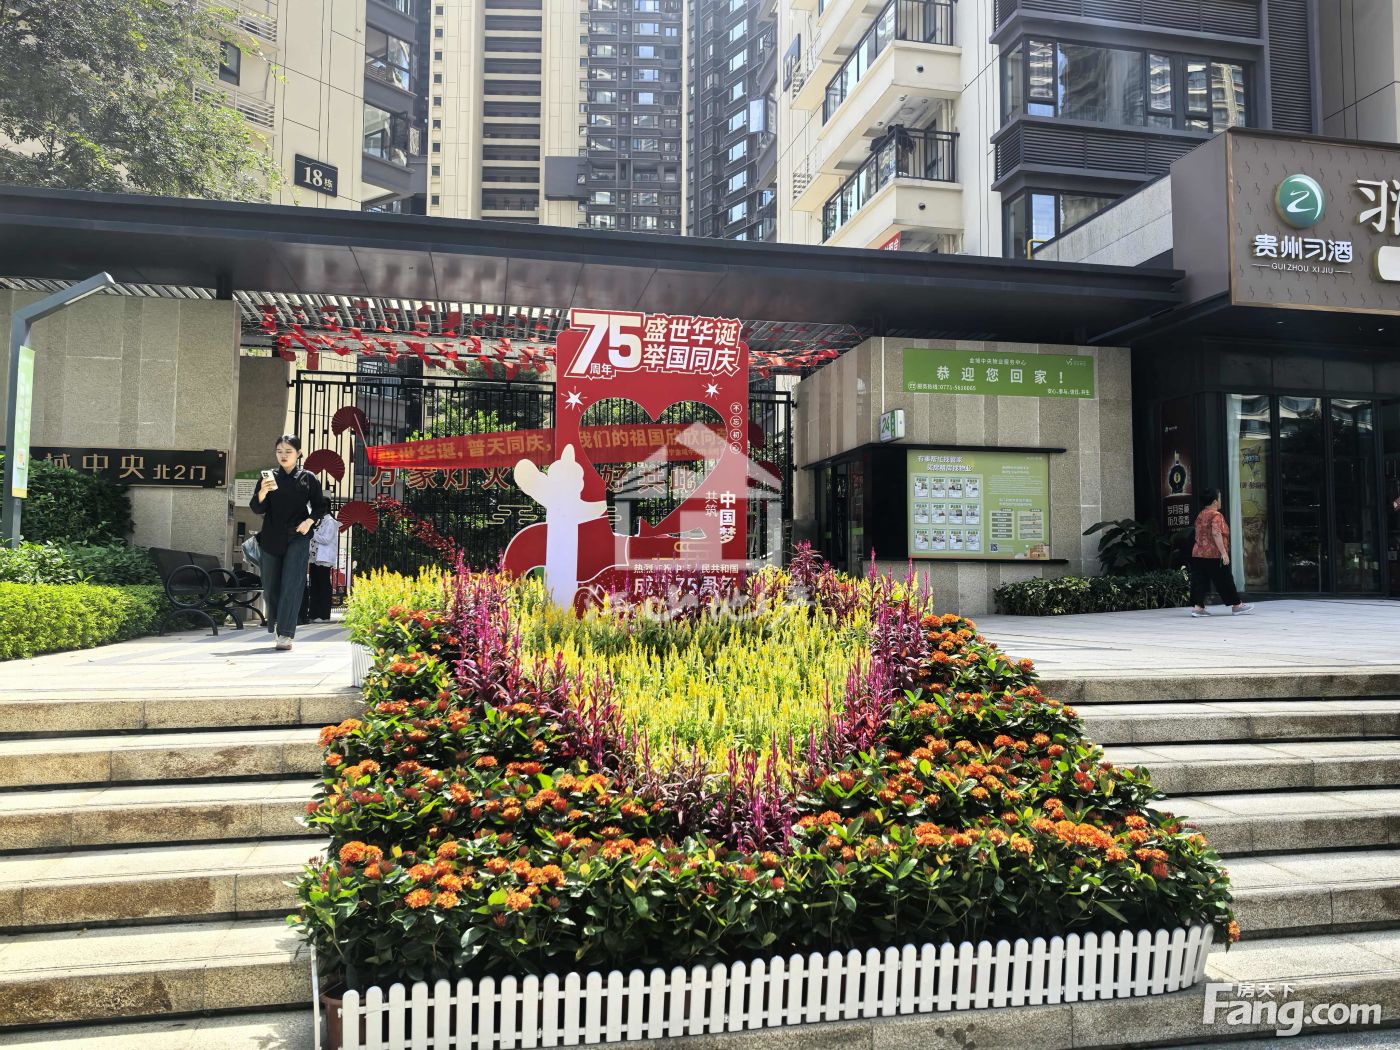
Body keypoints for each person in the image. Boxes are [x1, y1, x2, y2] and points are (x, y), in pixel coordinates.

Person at [249, 435, 329, 650]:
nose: (283, 455)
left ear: (298, 453)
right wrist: (263, 491)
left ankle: (285, 633)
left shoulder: (308, 478)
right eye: (279, 451)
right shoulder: (268, 477)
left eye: (288, 451)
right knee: (270, 586)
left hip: (298, 537)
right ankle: (277, 622)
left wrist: (309, 522)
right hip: (271, 538)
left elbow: (321, 506)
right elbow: (257, 508)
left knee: (292, 584)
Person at [1189, 487, 1252, 618]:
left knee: (1199, 581)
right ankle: (1237, 606)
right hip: (1213, 554)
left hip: (1198, 553)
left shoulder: (1200, 514)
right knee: (1225, 579)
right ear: (1214, 501)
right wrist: (1223, 553)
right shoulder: (1216, 515)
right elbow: (1216, 533)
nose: (1221, 500)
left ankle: (1198, 608)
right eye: (1220, 498)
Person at [302, 511, 340, 623]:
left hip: (324, 558)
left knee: (323, 585)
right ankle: (313, 614)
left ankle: (324, 615)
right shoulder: (318, 521)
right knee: (314, 586)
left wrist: (312, 534)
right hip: (314, 557)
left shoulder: (330, 522)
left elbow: (326, 539)